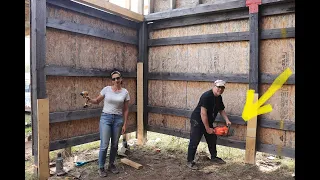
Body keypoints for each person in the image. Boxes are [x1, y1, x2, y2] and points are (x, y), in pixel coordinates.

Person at [86, 69, 130, 177]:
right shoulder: (106, 89)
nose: (116, 80)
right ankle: (101, 167)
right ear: (112, 81)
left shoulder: (125, 92)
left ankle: (111, 165)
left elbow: (126, 109)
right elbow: (97, 101)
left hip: (118, 119)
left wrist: (125, 124)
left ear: (121, 79)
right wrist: (89, 99)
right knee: (104, 144)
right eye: (113, 79)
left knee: (114, 144)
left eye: (117, 78)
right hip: (106, 118)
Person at [187, 79, 232, 170]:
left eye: (222, 87)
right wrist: (207, 128)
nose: (220, 89)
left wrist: (227, 120)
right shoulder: (206, 96)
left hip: (207, 120)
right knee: (194, 141)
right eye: (218, 87)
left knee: (212, 139)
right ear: (214, 86)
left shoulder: (219, 97)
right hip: (198, 121)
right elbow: (203, 113)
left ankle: (214, 157)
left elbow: (221, 109)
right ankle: (190, 161)